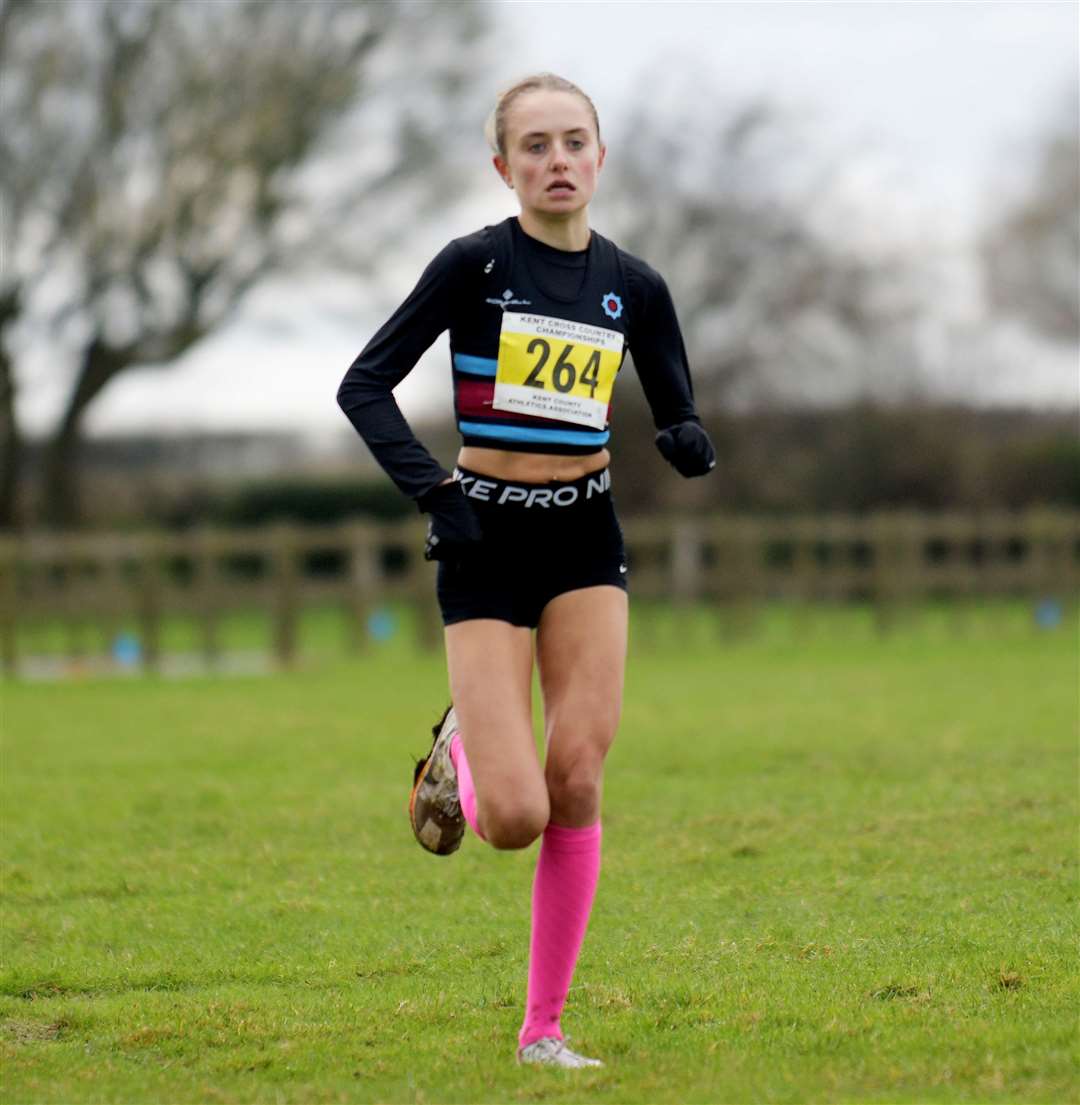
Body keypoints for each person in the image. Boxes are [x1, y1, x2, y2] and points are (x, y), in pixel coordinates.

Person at [336, 73, 715, 1069]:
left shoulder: (635, 285)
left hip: (586, 539)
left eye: (573, 142)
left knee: (578, 776)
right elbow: (363, 385)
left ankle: (543, 1030)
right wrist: (434, 491)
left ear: (600, 158)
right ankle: (459, 748)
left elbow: (675, 399)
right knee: (512, 819)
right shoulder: (471, 266)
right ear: (503, 167)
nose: (557, 160)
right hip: (483, 543)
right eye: (535, 146)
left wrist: (685, 437)